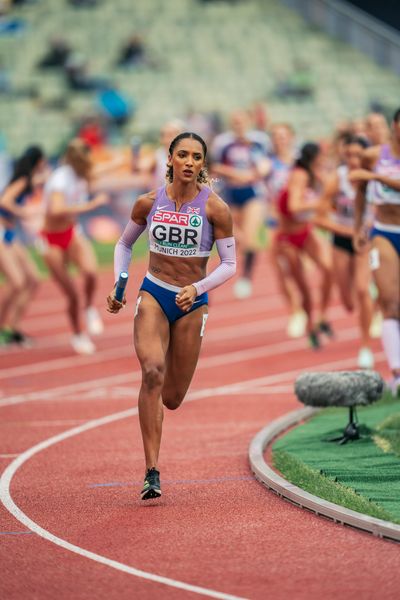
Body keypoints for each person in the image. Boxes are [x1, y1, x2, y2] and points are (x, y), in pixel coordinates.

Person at [107, 132, 236, 500]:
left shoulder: (216, 209)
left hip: (192, 302)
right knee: (151, 372)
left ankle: (165, 360)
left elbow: (229, 264)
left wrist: (198, 287)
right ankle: (152, 471)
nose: (190, 162)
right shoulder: (148, 202)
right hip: (154, 292)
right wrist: (120, 282)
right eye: (183, 155)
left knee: (173, 397)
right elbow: (124, 244)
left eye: (197, 156)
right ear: (171, 159)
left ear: (202, 163)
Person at [42, 139, 108, 355]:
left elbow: (103, 171)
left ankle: (89, 308)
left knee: (90, 272)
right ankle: (78, 334)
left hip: (72, 232)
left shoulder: (83, 174)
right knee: (71, 294)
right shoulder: (60, 179)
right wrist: (91, 204)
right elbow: (55, 210)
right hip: (51, 238)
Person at [353, 108, 400, 395]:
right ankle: (396, 373)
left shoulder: (372, 166)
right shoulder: (374, 155)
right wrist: (360, 225)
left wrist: (376, 177)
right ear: (395, 126)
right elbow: (360, 190)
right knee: (390, 302)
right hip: (384, 231)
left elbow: (370, 178)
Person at [316, 135, 374, 368]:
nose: (353, 160)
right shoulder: (336, 179)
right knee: (348, 302)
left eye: (358, 155)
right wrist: (347, 231)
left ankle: (366, 346)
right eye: (349, 155)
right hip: (341, 239)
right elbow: (319, 217)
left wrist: (366, 229)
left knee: (362, 290)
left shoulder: (373, 178)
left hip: (366, 240)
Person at [275, 142, 333, 349]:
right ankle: (310, 325)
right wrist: (320, 204)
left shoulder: (314, 174)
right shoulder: (300, 175)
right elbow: (294, 206)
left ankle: (323, 316)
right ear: (314, 157)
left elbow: (328, 193)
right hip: (287, 238)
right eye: (322, 155)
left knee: (328, 268)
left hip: (305, 231)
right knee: (303, 286)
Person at [211, 110, 270, 299]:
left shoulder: (259, 140)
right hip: (231, 193)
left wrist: (253, 175)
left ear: (249, 121)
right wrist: (234, 176)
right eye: (235, 121)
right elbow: (215, 167)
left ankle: (245, 278)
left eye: (241, 121)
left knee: (250, 237)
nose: (238, 125)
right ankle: (214, 278)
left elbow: (265, 166)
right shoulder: (222, 142)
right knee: (235, 238)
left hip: (253, 193)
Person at [0, 146, 46, 346]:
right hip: (1, 233)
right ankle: (2, 327)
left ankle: (13, 328)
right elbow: (5, 201)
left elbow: (36, 181)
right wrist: (23, 212)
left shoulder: (27, 180)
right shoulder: (23, 181)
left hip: (9, 234)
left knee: (33, 279)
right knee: (17, 282)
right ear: (38, 162)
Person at [266, 123, 306, 338]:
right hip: (277, 224)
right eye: (276, 136)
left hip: (301, 223)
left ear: (291, 137)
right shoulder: (269, 164)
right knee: (281, 270)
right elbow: (252, 176)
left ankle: (309, 308)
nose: (279, 140)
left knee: (302, 268)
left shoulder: (301, 163)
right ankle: (295, 312)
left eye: (283, 136)